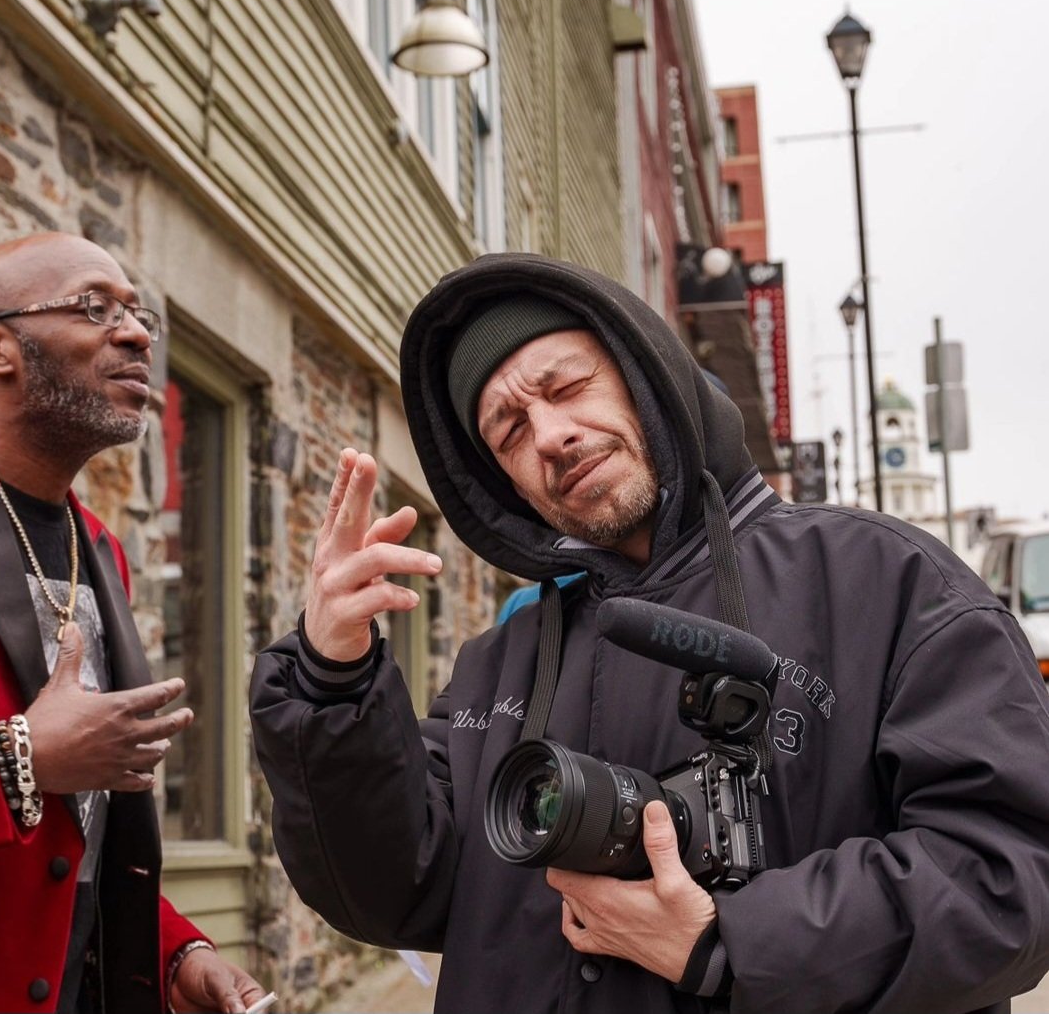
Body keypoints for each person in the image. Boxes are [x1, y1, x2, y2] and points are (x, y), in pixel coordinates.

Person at [250, 252, 1049, 1014]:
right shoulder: (500, 665)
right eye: (510, 433)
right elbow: (391, 890)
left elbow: (1008, 876)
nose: (552, 435)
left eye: (567, 385)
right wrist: (332, 678)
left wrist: (729, 942)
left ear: (642, 371)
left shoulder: (883, 581)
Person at [0, 233, 266, 1014]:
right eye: (94, 309)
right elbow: (39, 771)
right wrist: (19, 760)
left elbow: (80, 843)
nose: (136, 332)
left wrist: (174, 953)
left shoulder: (100, 548)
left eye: (138, 314)